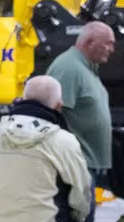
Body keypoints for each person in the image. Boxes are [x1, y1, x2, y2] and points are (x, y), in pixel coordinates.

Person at [0, 74, 92, 222]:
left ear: (22, 100)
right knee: (84, 179)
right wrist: (76, 219)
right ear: (59, 106)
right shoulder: (64, 141)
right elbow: (81, 199)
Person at [47, 21, 114, 189]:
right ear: (89, 42)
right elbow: (53, 115)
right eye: (108, 43)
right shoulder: (68, 68)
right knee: (77, 214)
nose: (111, 49)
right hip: (74, 166)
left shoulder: (87, 68)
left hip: (86, 164)